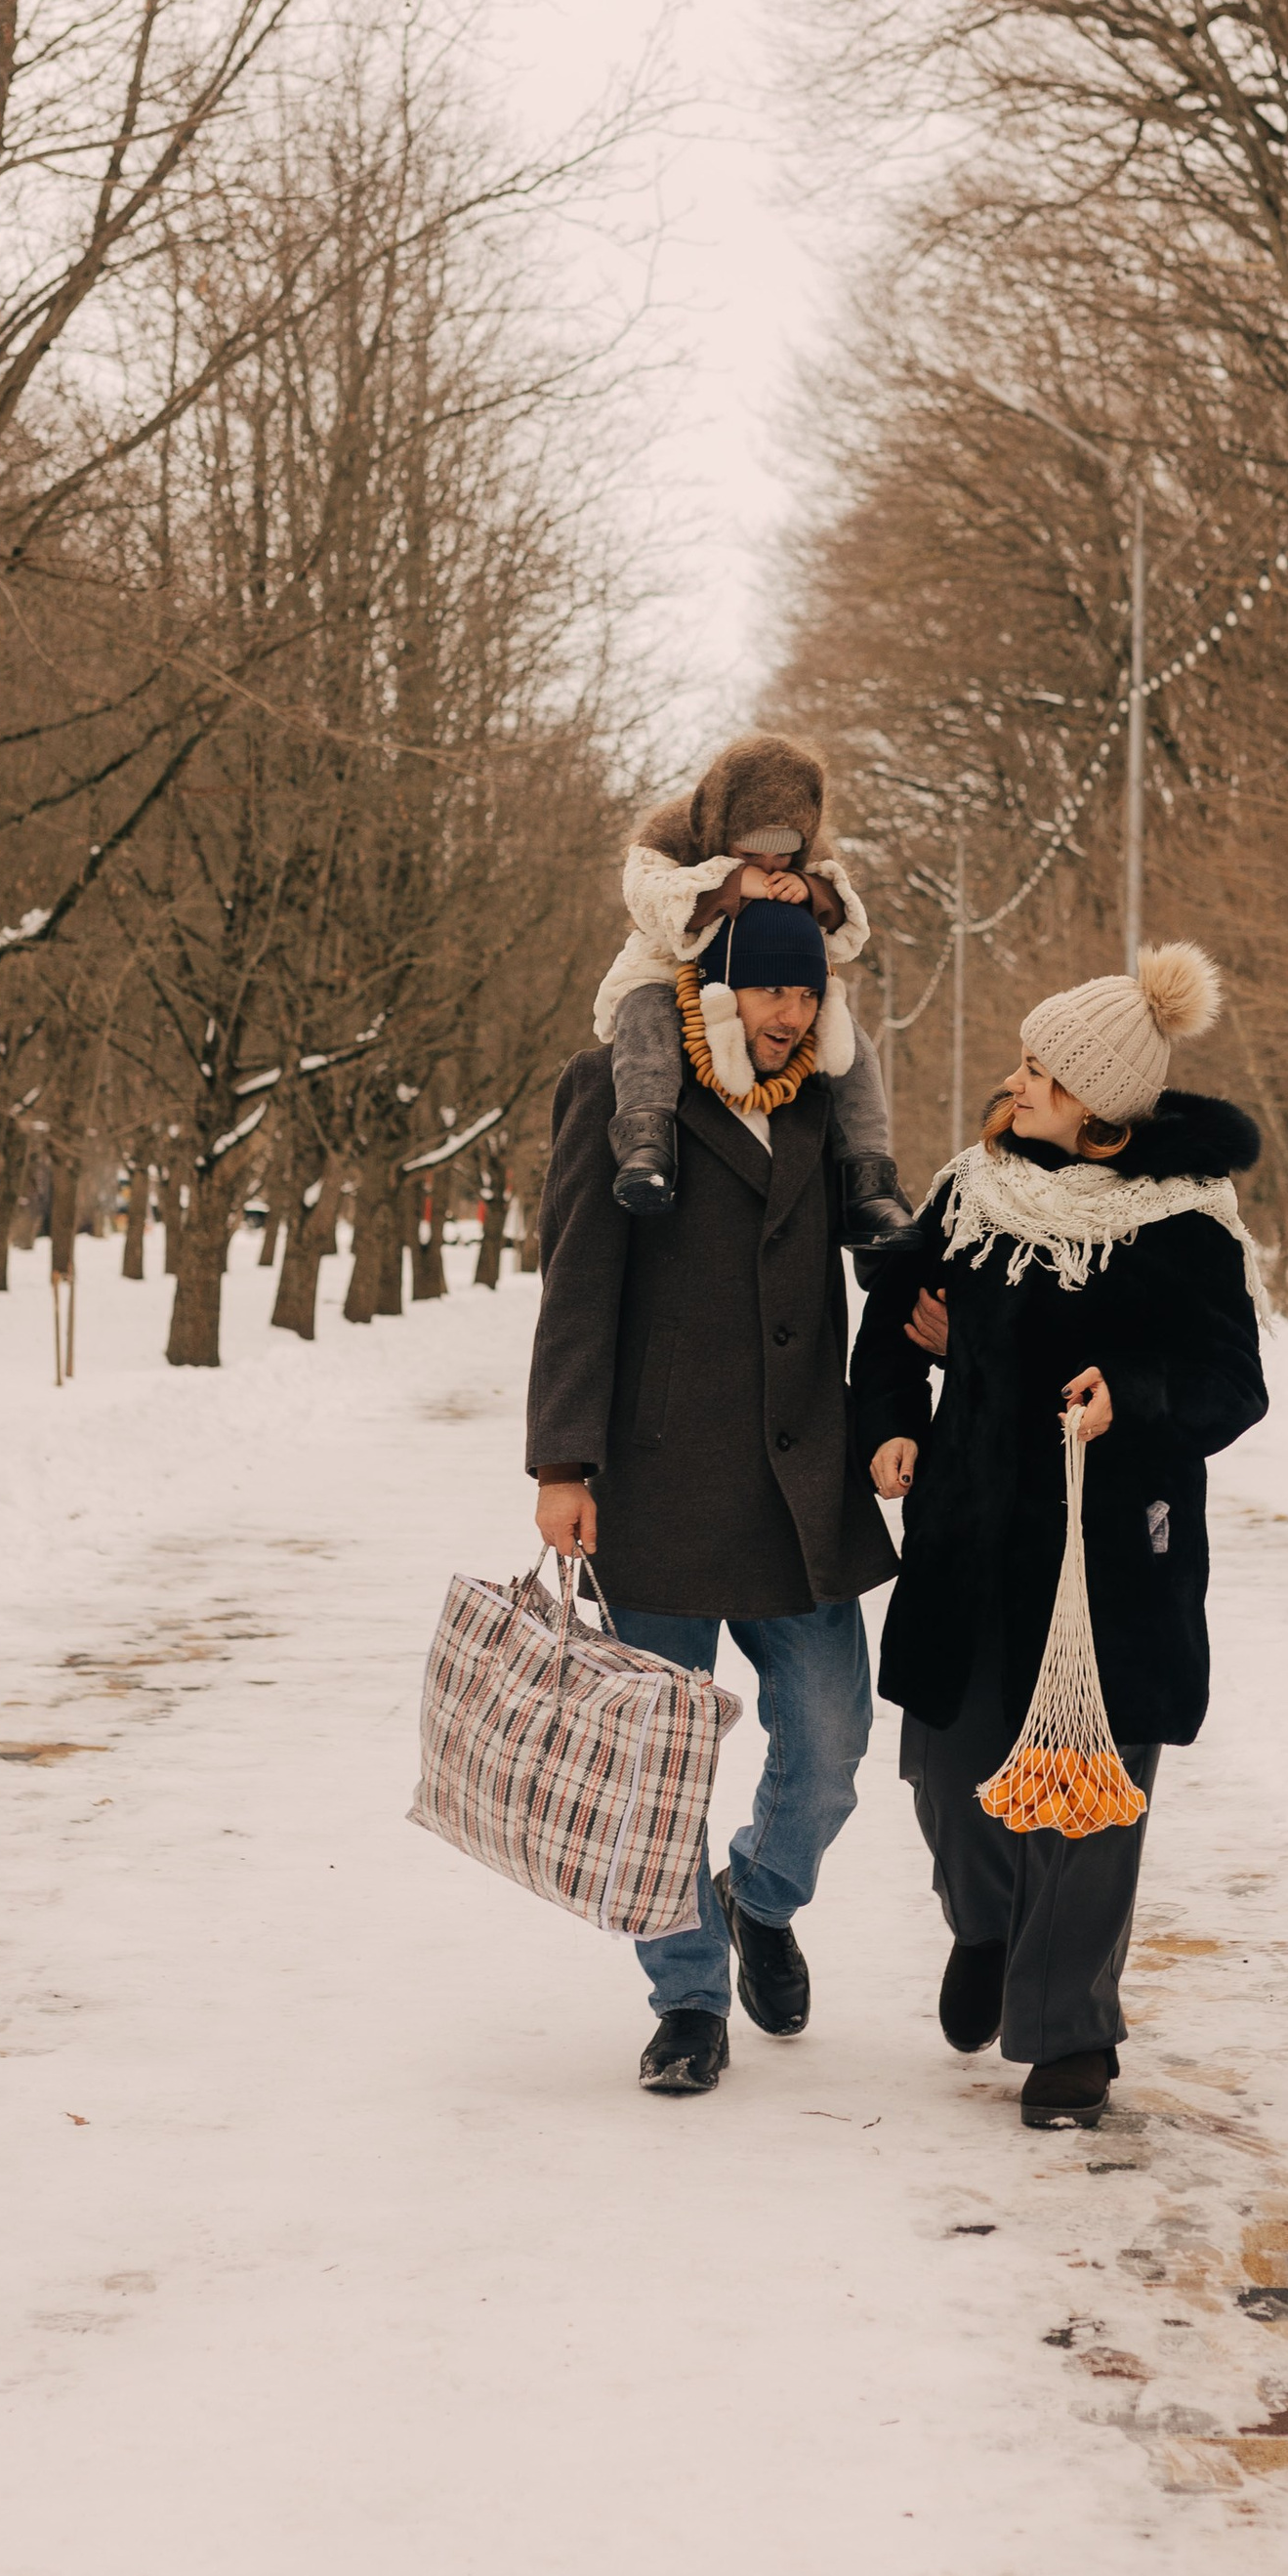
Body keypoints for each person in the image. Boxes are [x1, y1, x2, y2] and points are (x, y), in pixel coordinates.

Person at [852, 944, 1268, 2131]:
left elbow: (1229, 1387)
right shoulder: (972, 1191)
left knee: (1086, 1793)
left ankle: (1067, 2035)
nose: (1017, 1080)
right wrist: (889, 1422)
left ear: (1100, 1106)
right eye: (1024, 1061)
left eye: (1043, 1070)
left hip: (1106, 1560)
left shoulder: (1180, 1224)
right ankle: (986, 1929)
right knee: (948, 1768)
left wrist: (1127, 1396)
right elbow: (892, 1324)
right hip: (967, 1538)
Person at [527, 893, 899, 2095]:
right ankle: (685, 1997)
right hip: (657, 1478)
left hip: (800, 1483)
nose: (792, 1016)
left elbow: (889, 1249)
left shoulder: (827, 1104)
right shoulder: (621, 1090)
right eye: (771, 992)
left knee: (835, 1736)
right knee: (653, 1765)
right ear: (719, 988)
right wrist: (562, 1465)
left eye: (809, 995)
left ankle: (759, 1893)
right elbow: (578, 1282)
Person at [591, 730, 911, 1257]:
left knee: (851, 1047)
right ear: (721, 827)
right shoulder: (671, 832)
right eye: (751, 853)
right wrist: (731, 884)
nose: (768, 865)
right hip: (669, 963)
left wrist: (813, 891)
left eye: (783, 856)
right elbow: (646, 891)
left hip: (779, 970)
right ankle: (646, 1139)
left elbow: (848, 921)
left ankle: (868, 1178)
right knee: (645, 1019)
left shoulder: (809, 854)